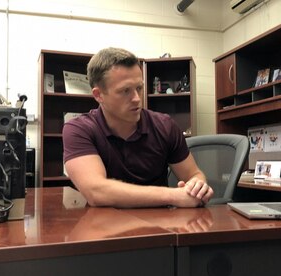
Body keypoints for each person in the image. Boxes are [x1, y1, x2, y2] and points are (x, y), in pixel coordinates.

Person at [62, 47, 214, 208]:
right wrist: (173, 196)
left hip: (160, 227)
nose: (136, 99)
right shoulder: (78, 129)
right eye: (125, 91)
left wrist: (198, 186)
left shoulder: (165, 126)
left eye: (139, 88)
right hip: (106, 228)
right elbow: (96, 191)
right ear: (98, 95)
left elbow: (194, 174)